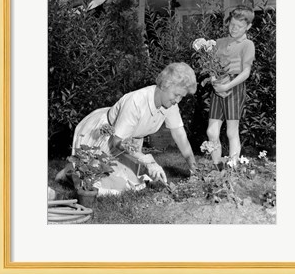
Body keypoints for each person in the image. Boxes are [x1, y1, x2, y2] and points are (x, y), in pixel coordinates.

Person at [56, 62, 198, 195]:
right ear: (164, 85)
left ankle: (74, 171)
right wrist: (147, 160)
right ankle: (68, 173)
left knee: (133, 185)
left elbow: (180, 136)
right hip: (107, 136)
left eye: (182, 97)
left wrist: (194, 168)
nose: (178, 100)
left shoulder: (171, 104)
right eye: (176, 95)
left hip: (128, 143)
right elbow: (117, 141)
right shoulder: (136, 101)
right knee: (100, 187)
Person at [207, 7, 255, 167]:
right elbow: (211, 66)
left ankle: (232, 167)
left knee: (231, 131)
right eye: (232, 24)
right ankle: (216, 167)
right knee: (211, 132)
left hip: (234, 86)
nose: (234, 29)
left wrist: (227, 85)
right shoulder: (219, 43)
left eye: (239, 26)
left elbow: (246, 72)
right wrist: (214, 82)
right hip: (218, 85)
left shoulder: (247, 44)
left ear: (248, 27)